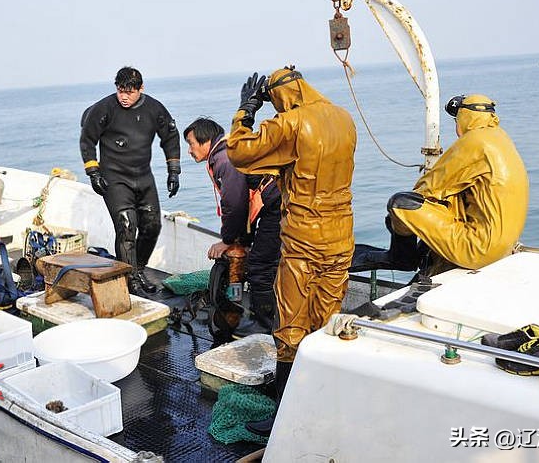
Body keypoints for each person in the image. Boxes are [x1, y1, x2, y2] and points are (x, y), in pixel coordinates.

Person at [226, 66, 357, 436]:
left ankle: (286, 413)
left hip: (304, 239)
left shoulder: (293, 123)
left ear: (281, 96)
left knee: (291, 325)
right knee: (327, 320)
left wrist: (246, 111)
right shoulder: (343, 118)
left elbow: (239, 152)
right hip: (341, 235)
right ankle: (323, 400)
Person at [355, 94, 529, 275]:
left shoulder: (474, 142)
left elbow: (427, 189)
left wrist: (398, 223)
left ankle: (401, 258)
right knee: (449, 201)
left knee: (400, 204)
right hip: (504, 247)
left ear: (464, 118)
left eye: (456, 120)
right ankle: (420, 256)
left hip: (479, 249)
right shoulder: (501, 138)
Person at [79, 66, 181, 296]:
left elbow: (170, 136)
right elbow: (87, 140)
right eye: (120, 90)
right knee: (126, 227)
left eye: (130, 91)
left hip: (143, 177)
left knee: (152, 226)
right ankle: (130, 278)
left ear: (141, 88)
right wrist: (93, 172)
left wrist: (173, 170)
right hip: (114, 179)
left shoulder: (154, 109)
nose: (124, 96)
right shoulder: (104, 108)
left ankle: (139, 269)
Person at [183, 116, 281, 336]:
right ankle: (271, 317)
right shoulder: (226, 152)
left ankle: (266, 325)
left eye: (191, 144)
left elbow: (235, 205)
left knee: (260, 267)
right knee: (262, 262)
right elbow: (247, 204)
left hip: (277, 206)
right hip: (273, 205)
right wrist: (243, 242)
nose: (189, 150)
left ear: (206, 140)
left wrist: (227, 241)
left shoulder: (225, 160)